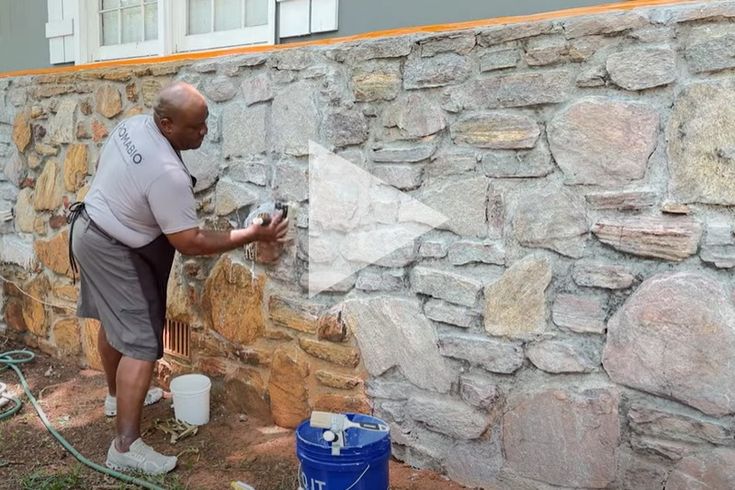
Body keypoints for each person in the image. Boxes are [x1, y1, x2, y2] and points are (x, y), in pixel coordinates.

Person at [67, 82, 288, 475]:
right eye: (195, 127)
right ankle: (125, 446)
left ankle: (116, 397)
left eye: (205, 123)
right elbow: (190, 241)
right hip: (114, 248)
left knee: (113, 322)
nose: (203, 133)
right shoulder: (166, 173)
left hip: (88, 228)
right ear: (167, 124)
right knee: (140, 343)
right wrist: (252, 235)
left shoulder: (133, 126)